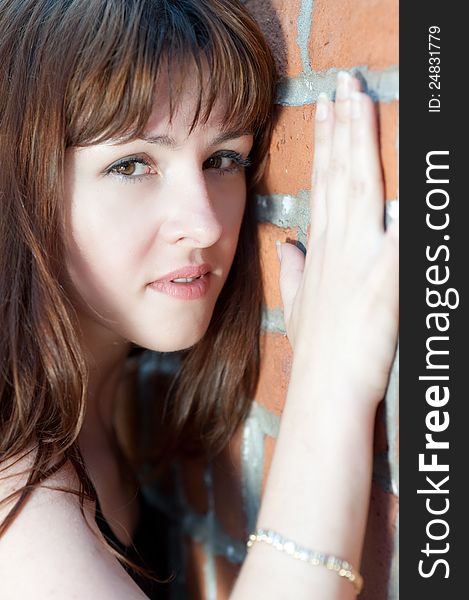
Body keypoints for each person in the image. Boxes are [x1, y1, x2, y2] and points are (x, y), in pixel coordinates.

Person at [0, 0, 399, 598]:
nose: (206, 223)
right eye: (132, 163)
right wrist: (330, 382)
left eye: (223, 159)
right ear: (19, 182)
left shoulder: (108, 403)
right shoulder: (11, 477)